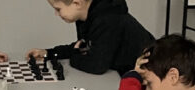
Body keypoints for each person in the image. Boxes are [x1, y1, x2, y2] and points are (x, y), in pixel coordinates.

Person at [25, 0, 155, 75]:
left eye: (58, 9)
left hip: (147, 77)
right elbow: (84, 47)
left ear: (77, 3)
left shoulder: (107, 19)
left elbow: (97, 66)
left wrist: (75, 57)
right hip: (121, 74)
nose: (56, 14)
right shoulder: (88, 15)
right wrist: (49, 53)